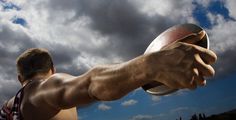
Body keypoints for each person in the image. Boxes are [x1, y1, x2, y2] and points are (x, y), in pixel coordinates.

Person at [0, 32, 217, 120]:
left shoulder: (8, 107)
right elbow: (90, 83)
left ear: (20, 78)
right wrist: (151, 65)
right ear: (53, 69)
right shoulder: (44, 88)